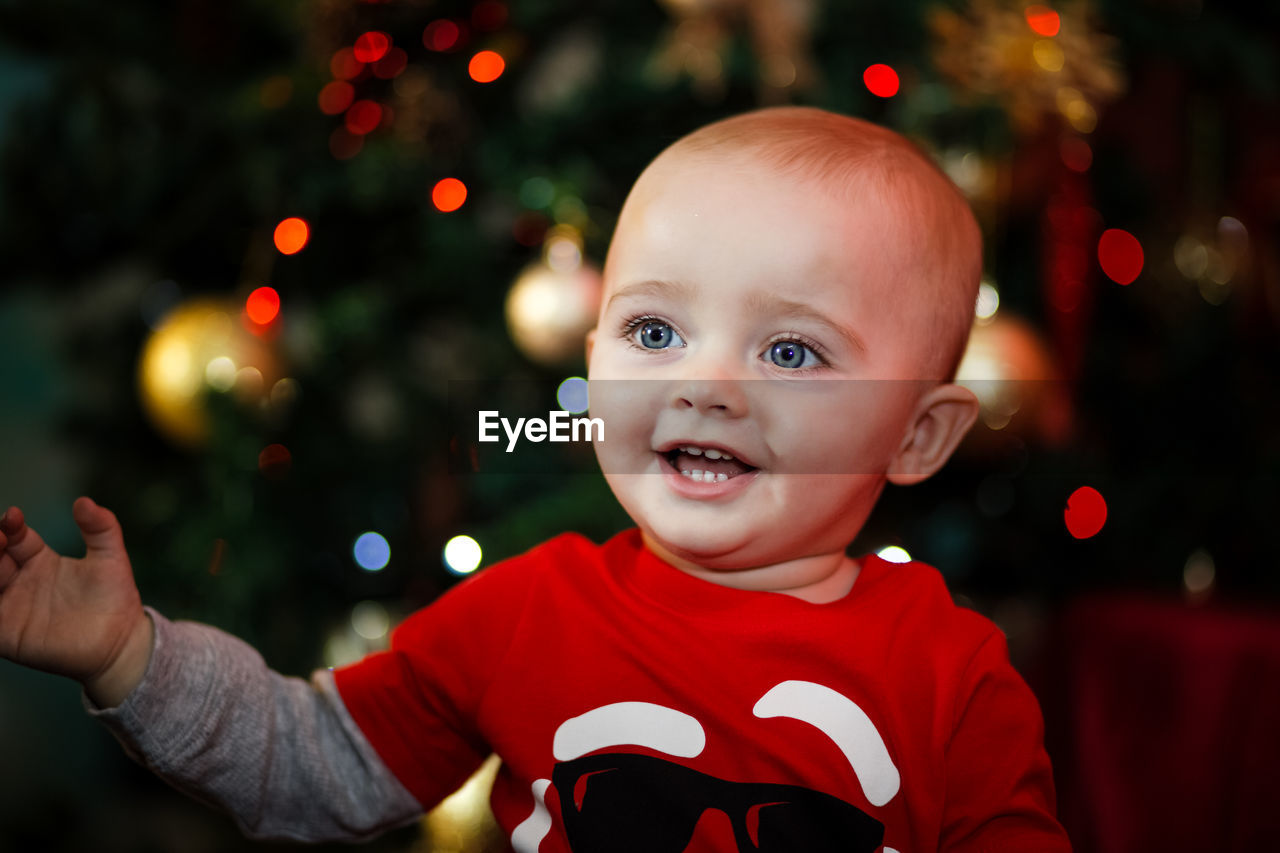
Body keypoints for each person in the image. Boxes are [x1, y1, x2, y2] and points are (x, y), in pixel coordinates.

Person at [0, 106, 1071, 851]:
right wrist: (129, 657)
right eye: (654, 329)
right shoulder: (526, 611)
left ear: (917, 437)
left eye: (789, 352)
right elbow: (308, 759)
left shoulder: (951, 675)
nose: (701, 387)